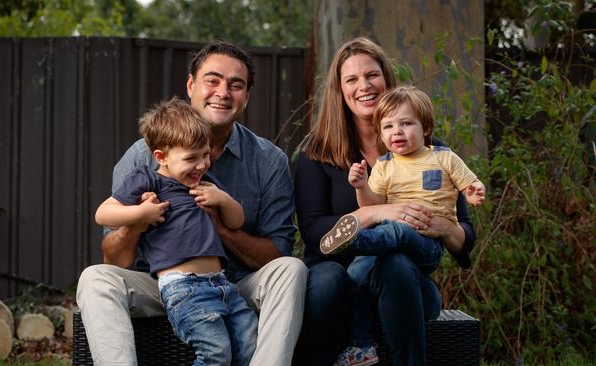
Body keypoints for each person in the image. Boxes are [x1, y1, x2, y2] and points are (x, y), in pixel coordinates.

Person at [77, 40, 307, 366]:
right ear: (191, 85)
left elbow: (277, 252)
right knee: (95, 278)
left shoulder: (268, 160)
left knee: (291, 268)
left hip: (232, 284)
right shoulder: (142, 157)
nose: (223, 92)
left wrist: (220, 228)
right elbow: (115, 258)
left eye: (236, 85)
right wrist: (139, 221)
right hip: (165, 282)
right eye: (212, 80)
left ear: (246, 96)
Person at [294, 37, 477, 366]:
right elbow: (313, 232)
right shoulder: (316, 151)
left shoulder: (430, 151)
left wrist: (444, 227)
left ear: (387, 79)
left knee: (395, 263)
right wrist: (379, 211)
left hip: (405, 278)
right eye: (351, 79)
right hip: (336, 276)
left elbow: (464, 237)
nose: (364, 86)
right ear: (339, 89)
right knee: (328, 281)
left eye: (372, 75)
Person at [321, 86, 485, 365]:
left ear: (426, 128)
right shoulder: (385, 166)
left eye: (406, 123)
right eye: (388, 126)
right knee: (356, 274)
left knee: (398, 230)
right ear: (381, 133)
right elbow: (371, 205)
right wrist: (361, 185)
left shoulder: (443, 157)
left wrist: (473, 191)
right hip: (388, 249)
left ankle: (353, 241)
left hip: (427, 243)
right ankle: (361, 347)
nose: (397, 131)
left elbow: (470, 183)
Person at [94, 98, 258, 365]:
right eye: (191, 158)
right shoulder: (148, 179)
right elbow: (103, 213)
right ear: (161, 157)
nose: (201, 165)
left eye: (205, 155)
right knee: (215, 352)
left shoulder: (204, 183)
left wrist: (222, 199)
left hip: (221, 284)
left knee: (249, 344)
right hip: (184, 288)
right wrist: (141, 214)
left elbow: (236, 221)